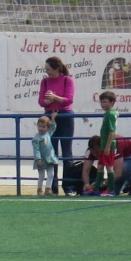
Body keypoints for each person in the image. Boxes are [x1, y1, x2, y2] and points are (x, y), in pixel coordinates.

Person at [37, 55, 75, 191]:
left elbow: (69, 100)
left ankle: (68, 184)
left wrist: (54, 97)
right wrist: (48, 101)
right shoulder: (45, 82)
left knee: (67, 152)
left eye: (48, 69)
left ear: (56, 68)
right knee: (51, 151)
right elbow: (41, 101)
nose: (47, 72)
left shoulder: (67, 80)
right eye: (46, 69)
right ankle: (52, 185)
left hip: (65, 116)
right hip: (49, 116)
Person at [30, 115, 59, 196]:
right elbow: (36, 150)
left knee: (51, 174)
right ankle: (39, 190)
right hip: (42, 159)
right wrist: (38, 159)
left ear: (47, 128)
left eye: (43, 127)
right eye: (39, 126)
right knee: (41, 176)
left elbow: (53, 127)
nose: (41, 128)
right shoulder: (36, 139)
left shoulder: (48, 134)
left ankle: (48, 189)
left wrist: (53, 119)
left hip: (50, 158)